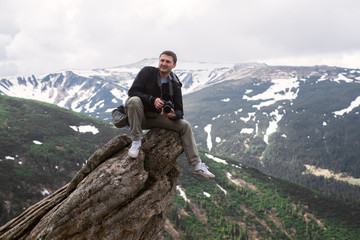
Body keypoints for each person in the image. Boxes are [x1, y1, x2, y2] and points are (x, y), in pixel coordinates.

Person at [124, 50, 215, 178]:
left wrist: (172, 115)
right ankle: (136, 141)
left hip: (157, 117)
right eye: (162, 60)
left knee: (185, 125)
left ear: (174, 65)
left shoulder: (175, 84)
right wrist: (152, 99)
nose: (164, 63)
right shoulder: (147, 72)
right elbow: (133, 91)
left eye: (168, 61)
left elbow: (179, 111)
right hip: (139, 117)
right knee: (133, 100)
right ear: (158, 61)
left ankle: (197, 165)